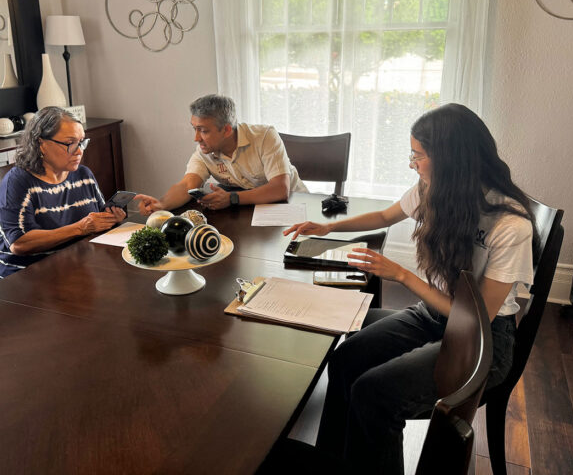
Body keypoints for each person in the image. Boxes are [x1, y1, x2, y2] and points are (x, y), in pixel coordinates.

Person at [283, 103, 536, 473]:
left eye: (418, 155)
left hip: (483, 341)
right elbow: (385, 216)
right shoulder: (436, 190)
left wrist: (402, 276)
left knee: (373, 394)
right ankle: (334, 462)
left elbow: (477, 317)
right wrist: (328, 228)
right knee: (344, 360)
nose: (412, 163)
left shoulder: (509, 224)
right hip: (432, 316)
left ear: (450, 159)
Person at [0, 107, 126, 282]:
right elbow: (19, 243)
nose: (79, 151)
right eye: (70, 143)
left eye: (82, 142)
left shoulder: (83, 176)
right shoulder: (17, 183)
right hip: (23, 280)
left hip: (71, 269)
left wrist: (110, 219)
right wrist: (80, 227)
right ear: (41, 144)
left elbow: (94, 224)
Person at [135, 94, 306, 213]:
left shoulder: (265, 136)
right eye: (194, 129)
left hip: (294, 206)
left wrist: (232, 198)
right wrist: (161, 204)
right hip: (251, 212)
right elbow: (187, 185)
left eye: (203, 131)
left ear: (226, 130)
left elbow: (280, 189)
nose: (196, 138)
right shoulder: (204, 152)